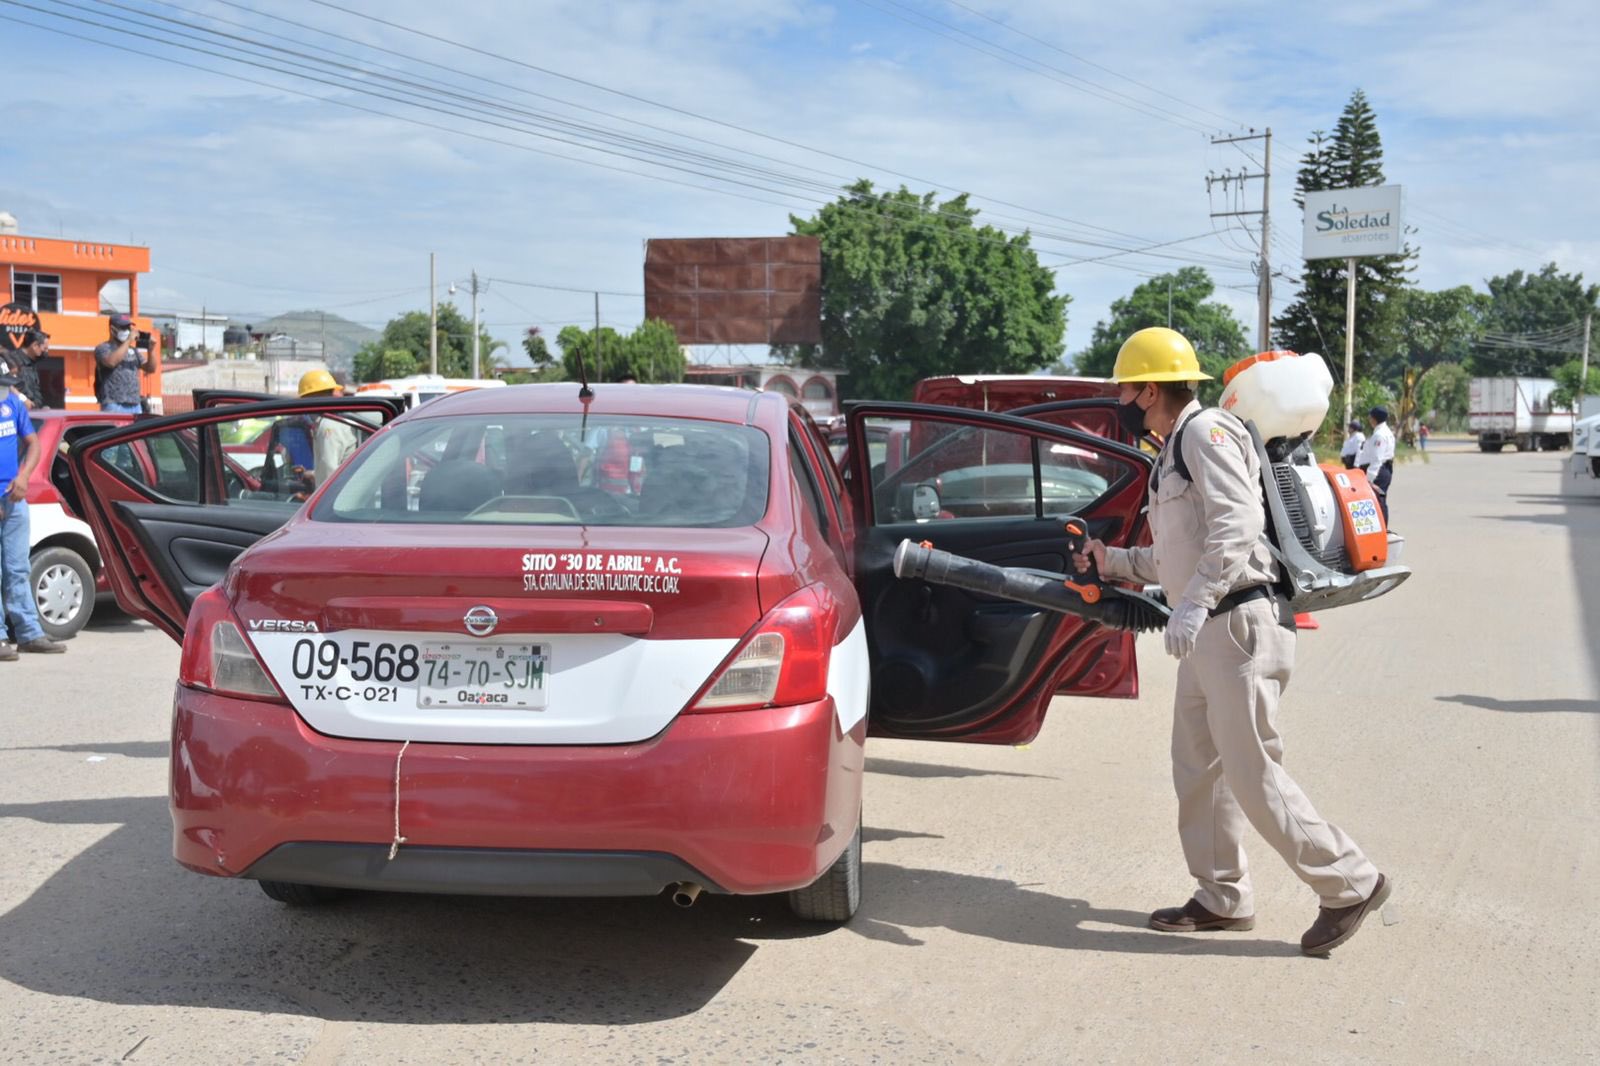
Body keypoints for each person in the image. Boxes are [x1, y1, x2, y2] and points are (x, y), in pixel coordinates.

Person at [1072, 327, 1388, 956]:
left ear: (1148, 389)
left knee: (1252, 773)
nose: (1122, 399)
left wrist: (1192, 605)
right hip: (1208, 627)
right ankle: (1222, 895)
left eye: (1126, 387)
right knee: (1198, 768)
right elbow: (1177, 555)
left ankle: (1350, 882)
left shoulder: (1205, 432)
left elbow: (1238, 524)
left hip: (1239, 623)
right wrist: (1110, 560)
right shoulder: (1170, 452)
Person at [0, 372, 67, 658]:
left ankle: (29, 633)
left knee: (17, 568)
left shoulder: (12, 403)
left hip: (14, 497)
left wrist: (24, 476)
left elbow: (34, 443)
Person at [297, 369, 358, 490]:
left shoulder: (328, 426)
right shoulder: (330, 422)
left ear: (311, 398)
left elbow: (329, 471)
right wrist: (313, 474)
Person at [94, 313, 155, 414]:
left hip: (135, 404)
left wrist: (151, 350)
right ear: (112, 329)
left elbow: (150, 368)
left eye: (128, 327)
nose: (127, 331)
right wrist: (128, 341)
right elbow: (111, 362)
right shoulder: (103, 348)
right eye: (123, 328)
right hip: (113, 403)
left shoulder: (133, 350)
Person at [1357, 405, 1397, 522]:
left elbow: (1376, 459)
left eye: (1370, 416)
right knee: (1379, 500)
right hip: (1383, 469)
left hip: (1378, 471)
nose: (1369, 419)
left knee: (1377, 501)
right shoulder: (1385, 432)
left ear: (1374, 419)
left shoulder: (1379, 435)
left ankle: (1381, 529)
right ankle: (1381, 529)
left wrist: (1369, 479)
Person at [1, 329, 47, 410]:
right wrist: (24, 400)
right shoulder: (11, 361)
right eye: (44, 348)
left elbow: (34, 390)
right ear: (35, 346)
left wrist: (39, 408)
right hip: (16, 411)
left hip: (32, 412)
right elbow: (9, 386)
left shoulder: (32, 363)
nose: (45, 351)